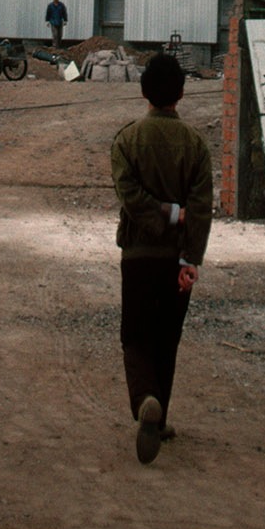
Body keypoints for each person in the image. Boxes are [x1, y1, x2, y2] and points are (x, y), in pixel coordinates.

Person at [110, 51, 212, 464]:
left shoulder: (126, 140)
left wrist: (159, 214)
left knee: (135, 337)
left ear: (143, 92)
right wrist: (190, 259)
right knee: (166, 339)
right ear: (182, 94)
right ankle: (162, 415)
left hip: (137, 255)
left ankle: (144, 402)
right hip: (175, 261)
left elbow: (129, 197)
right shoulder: (196, 145)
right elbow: (201, 208)